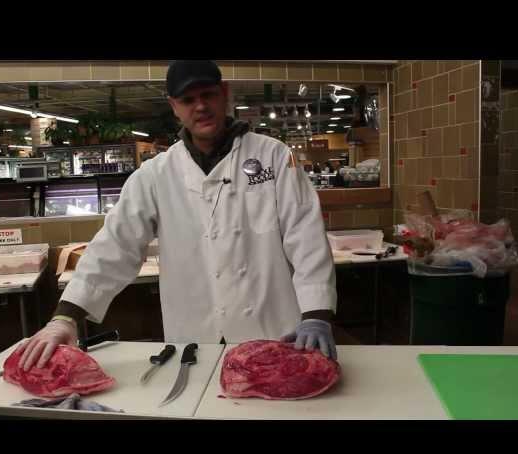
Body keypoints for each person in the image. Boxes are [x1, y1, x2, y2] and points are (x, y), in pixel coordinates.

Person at [17, 60, 338, 371]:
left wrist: (317, 314)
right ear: (174, 106)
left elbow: (305, 235)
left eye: (207, 95)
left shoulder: (273, 157)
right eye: (188, 99)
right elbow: (114, 246)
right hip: (195, 342)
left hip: (274, 331)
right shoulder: (155, 175)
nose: (200, 106)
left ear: (224, 92)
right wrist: (66, 316)